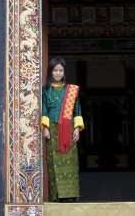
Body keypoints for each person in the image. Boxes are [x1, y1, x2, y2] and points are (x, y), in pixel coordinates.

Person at [41, 57, 84, 202]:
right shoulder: (45, 90)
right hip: (52, 129)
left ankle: (70, 195)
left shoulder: (71, 90)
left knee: (70, 162)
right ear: (51, 72)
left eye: (60, 70)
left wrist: (77, 128)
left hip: (69, 128)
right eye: (55, 70)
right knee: (53, 161)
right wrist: (45, 128)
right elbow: (44, 109)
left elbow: (77, 110)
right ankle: (56, 196)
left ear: (64, 72)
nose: (58, 73)